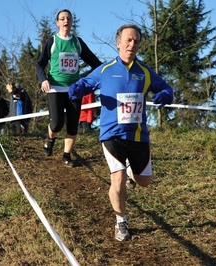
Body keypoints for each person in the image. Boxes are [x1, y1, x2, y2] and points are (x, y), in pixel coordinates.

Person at [68, 24, 174, 241]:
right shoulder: (105, 70)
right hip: (111, 134)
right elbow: (84, 83)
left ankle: (130, 173)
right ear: (118, 43)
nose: (132, 44)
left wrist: (165, 94)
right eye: (128, 40)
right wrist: (76, 90)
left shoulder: (143, 71)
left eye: (136, 41)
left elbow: (166, 87)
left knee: (144, 181)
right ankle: (121, 221)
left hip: (137, 135)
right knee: (117, 179)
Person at [35, 9, 102, 167]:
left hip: (74, 89)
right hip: (55, 88)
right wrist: (43, 80)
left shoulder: (77, 42)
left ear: (72, 22)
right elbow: (40, 63)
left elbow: (95, 63)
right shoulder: (52, 41)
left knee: (72, 125)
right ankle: (50, 139)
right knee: (57, 123)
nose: (66, 21)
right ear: (57, 22)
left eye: (69, 19)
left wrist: (86, 78)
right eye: (62, 18)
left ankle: (66, 155)